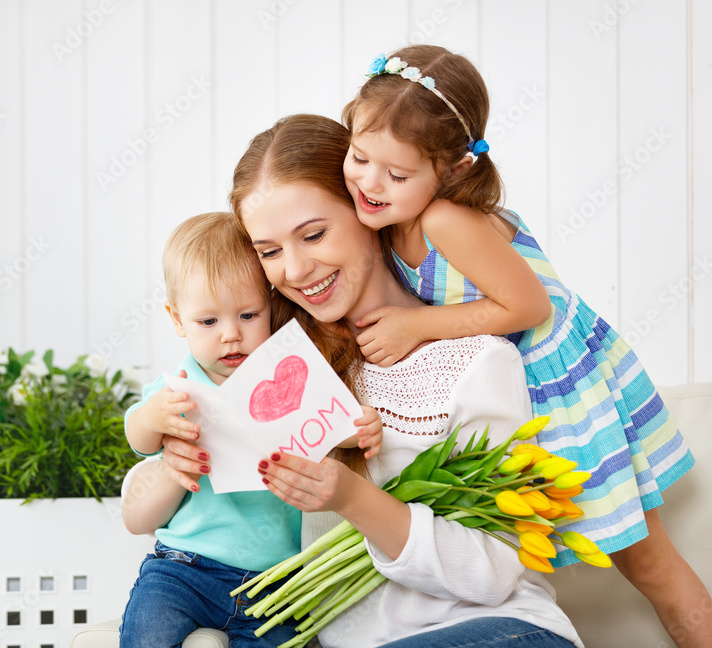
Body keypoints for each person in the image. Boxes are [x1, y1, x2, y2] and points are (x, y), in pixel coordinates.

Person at [128, 114, 583, 647]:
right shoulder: (276, 361)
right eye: (269, 251)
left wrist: (351, 497)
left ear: (369, 211)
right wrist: (171, 461)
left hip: (495, 633)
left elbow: (496, 571)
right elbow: (165, 497)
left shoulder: (476, 359)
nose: (294, 269)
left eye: (314, 234)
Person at [339, 44, 711, 645]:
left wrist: (415, 328)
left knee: (648, 563)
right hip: (515, 389)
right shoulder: (389, 214)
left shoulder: (443, 220)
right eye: (359, 157)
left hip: (565, 393)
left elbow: (528, 306)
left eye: (397, 174)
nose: (370, 183)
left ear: (454, 170)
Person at [118, 211, 382, 648]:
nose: (230, 336)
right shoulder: (180, 391)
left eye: (247, 315)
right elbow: (137, 433)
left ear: (270, 307)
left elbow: (335, 426)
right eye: (208, 322)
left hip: (274, 582)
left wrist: (362, 429)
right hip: (185, 567)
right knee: (147, 635)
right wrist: (152, 421)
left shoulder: (290, 378)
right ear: (177, 319)